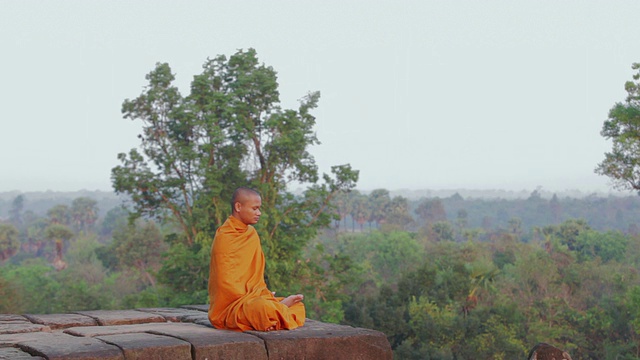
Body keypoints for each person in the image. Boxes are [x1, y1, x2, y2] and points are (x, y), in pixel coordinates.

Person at [208, 187, 306, 331]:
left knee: (298, 306)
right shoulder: (225, 236)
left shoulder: (251, 234)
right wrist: (252, 299)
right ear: (238, 207)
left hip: (252, 300)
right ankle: (277, 310)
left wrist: (261, 294)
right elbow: (225, 282)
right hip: (231, 308)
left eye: (259, 209)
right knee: (261, 308)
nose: (259, 213)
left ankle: (274, 310)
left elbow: (255, 277)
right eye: (254, 209)